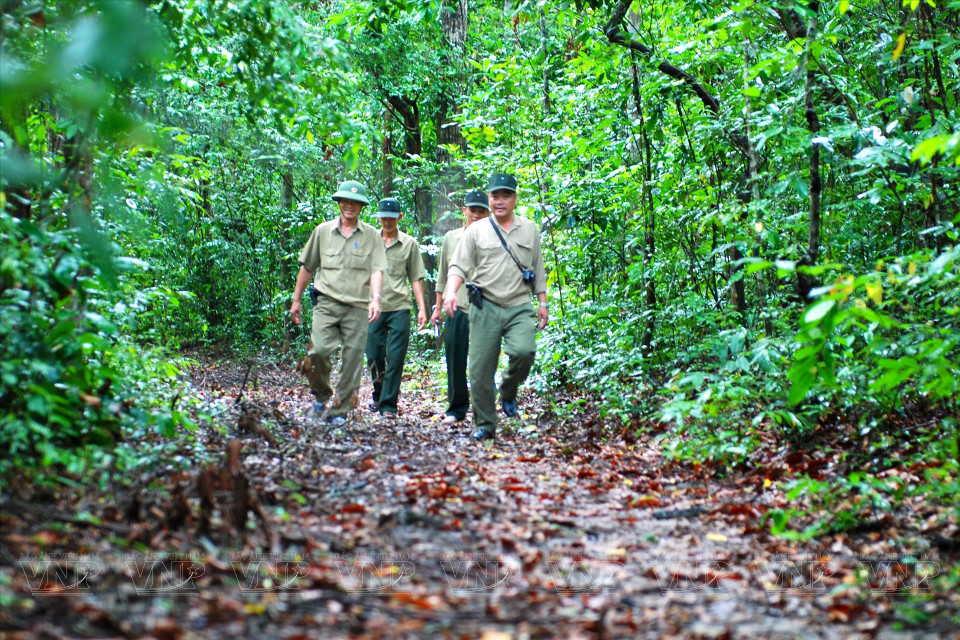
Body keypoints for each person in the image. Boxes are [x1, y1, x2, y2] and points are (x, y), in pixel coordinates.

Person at [443, 173, 548, 441]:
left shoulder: (529, 230)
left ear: (514, 198)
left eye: (506, 195)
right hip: (484, 306)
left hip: (518, 305)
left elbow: (537, 268)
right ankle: (486, 425)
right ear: (489, 198)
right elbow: (458, 265)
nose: (500, 201)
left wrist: (542, 302)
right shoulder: (475, 231)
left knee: (525, 351)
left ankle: (509, 389)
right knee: (479, 370)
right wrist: (451, 292)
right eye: (495, 196)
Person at [290, 180, 386, 426]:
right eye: (345, 201)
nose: (349, 206)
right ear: (339, 203)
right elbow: (307, 266)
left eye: (354, 202)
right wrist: (296, 299)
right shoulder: (322, 232)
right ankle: (321, 396)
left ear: (361, 206)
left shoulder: (372, 236)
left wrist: (376, 298)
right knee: (318, 352)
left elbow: (377, 270)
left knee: (352, 360)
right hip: (326, 304)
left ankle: (339, 412)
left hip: (357, 307)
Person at [430, 190, 490, 425]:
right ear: (464, 211)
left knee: (483, 361)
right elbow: (443, 275)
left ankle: (483, 410)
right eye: (472, 210)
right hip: (456, 307)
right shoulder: (451, 238)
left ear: (488, 213)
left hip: (484, 308)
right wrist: (437, 308)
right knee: (455, 359)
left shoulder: (494, 239)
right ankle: (456, 409)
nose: (476, 215)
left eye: (481, 211)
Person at [365, 197, 428, 417]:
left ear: (399, 217)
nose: (387, 221)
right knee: (373, 353)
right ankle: (379, 394)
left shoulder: (409, 243)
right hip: (373, 306)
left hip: (400, 306)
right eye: (383, 217)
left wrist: (421, 308)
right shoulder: (369, 241)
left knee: (396, 356)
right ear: (378, 217)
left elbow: (416, 278)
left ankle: (388, 405)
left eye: (392, 218)